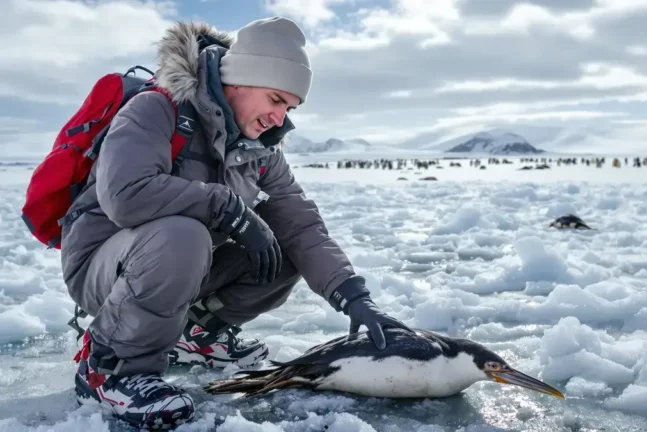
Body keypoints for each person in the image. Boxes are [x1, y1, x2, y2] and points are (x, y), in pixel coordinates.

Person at [59, 17, 413, 430]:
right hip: (104, 267)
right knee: (184, 235)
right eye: (275, 99)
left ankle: (196, 336)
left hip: (180, 267)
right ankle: (110, 368)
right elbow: (126, 195)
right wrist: (227, 208)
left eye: (289, 108)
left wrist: (353, 297)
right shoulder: (156, 109)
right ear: (241, 79)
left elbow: (301, 226)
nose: (279, 118)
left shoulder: (261, 151)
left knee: (283, 249)